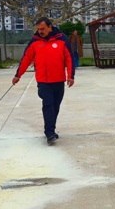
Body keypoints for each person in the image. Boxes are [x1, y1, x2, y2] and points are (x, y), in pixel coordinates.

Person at [13, 17, 74, 145]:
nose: (40, 31)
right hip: (43, 81)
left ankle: (51, 129)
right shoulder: (35, 41)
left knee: (55, 107)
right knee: (48, 105)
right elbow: (26, 59)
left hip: (58, 80)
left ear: (50, 27)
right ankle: (49, 133)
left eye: (43, 29)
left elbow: (69, 57)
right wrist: (18, 75)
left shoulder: (62, 39)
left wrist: (71, 75)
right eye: (38, 29)